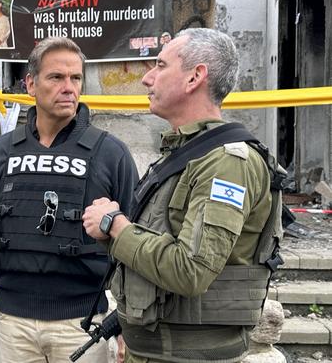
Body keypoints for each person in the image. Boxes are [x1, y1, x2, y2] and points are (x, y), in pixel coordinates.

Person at [83, 28, 277, 362]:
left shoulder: (226, 163)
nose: (148, 79)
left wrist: (115, 225)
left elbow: (190, 270)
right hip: (155, 350)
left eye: (160, 65)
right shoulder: (182, 154)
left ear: (194, 77)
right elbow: (155, 247)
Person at [0, 36, 139, 362]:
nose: (68, 87)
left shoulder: (110, 154)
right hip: (13, 323)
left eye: (76, 78)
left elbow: (136, 240)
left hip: (81, 324)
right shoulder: (2, 152)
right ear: (30, 83)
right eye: (56, 77)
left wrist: (128, 318)